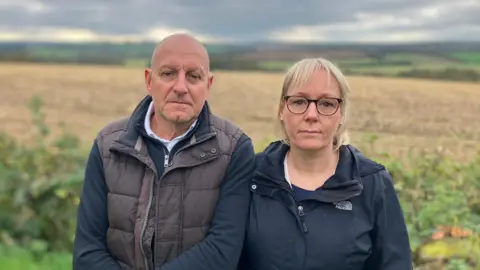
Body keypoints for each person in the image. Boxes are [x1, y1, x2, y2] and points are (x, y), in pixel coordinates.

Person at [72, 33, 256, 270]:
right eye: (168, 73)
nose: (180, 87)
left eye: (194, 76)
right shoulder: (109, 146)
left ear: (208, 85)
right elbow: (88, 252)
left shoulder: (234, 150)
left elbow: (223, 250)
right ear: (149, 80)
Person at [238, 58, 413, 270]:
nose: (311, 115)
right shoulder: (251, 175)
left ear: (341, 114)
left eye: (327, 103)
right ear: (282, 110)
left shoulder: (372, 184)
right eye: (299, 102)